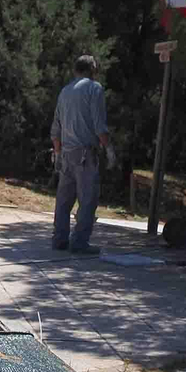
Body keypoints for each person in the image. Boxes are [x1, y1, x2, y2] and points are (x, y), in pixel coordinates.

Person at [50, 55, 116, 255]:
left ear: (75, 70)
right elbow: (99, 126)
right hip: (85, 154)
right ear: (92, 70)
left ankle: (59, 239)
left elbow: (56, 128)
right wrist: (110, 150)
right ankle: (79, 243)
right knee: (88, 199)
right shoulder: (94, 88)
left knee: (63, 199)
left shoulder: (64, 92)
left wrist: (58, 154)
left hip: (67, 154)